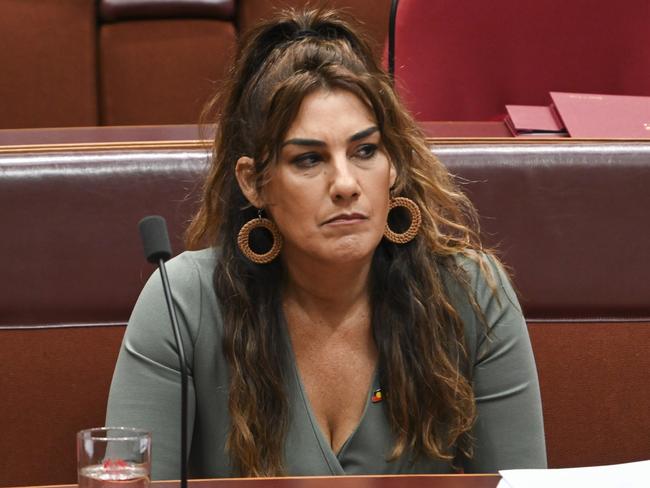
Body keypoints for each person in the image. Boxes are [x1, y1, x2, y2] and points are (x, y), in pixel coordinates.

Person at [106, 7, 546, 479]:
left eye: (365, 151)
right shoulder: (183, 303)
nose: (346, 183)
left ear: (394, 164)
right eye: (309, 159)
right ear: (256, 183)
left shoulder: (471, 292)